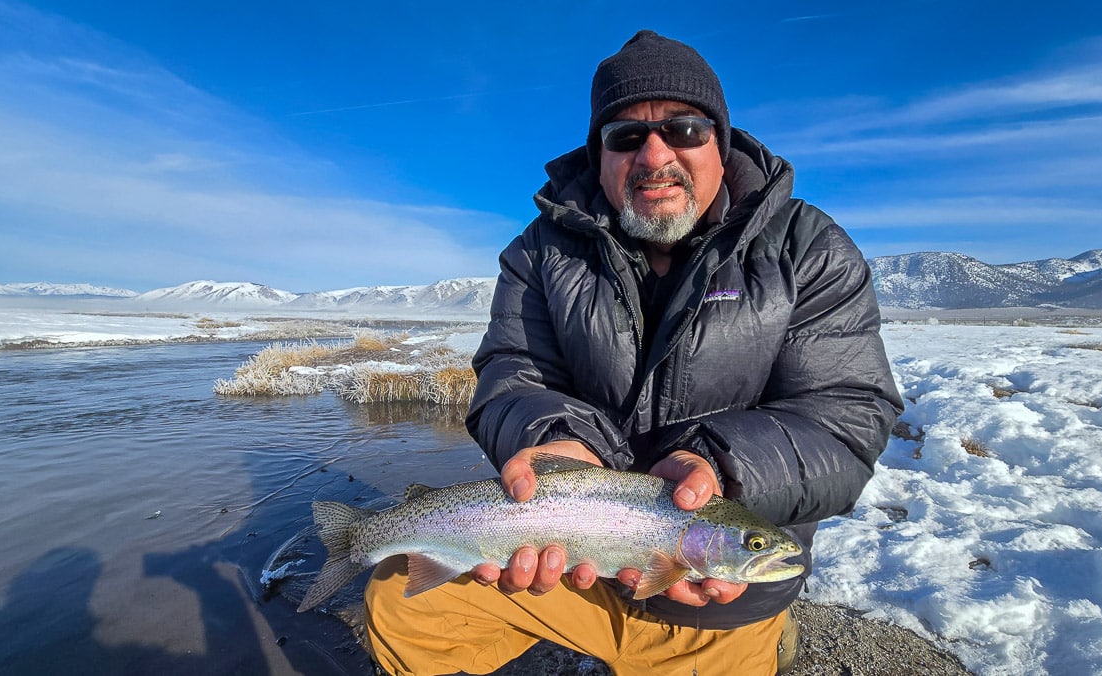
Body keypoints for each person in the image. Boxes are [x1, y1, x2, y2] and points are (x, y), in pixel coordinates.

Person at [362, 29, 903, 675]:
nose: (655, 154)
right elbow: (513, 372)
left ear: (719, 142)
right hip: (566, 561)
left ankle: (758, 634)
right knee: (401, 596)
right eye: (625, 136)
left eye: (684, 129)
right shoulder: (541, 250)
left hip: (715, 595)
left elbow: (844, 418)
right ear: (600, 157)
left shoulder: (804, 249)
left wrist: (720, 472)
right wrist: (558, 444)